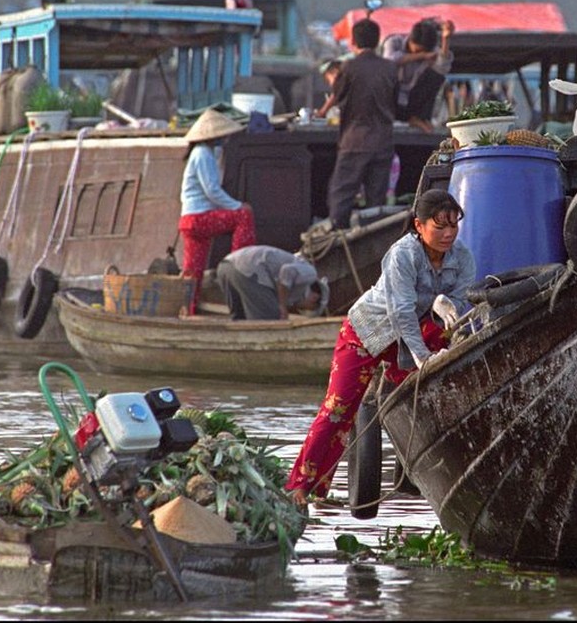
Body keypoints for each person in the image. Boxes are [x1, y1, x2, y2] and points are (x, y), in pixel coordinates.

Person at [285, 189, 476, 509]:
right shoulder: (403, 255)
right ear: (419, 225)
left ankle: (414, 475)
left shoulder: (463, 258)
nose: (448, 234)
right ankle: (303, 487)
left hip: (414, 334)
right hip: (368, 333)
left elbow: (460, 305)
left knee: (431, 390)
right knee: (338, 411)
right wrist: (423, 358)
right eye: (439, 226)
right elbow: (401, 311)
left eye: (453, 225)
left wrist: (445, 309)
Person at [179, 108, 255, 314]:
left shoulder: (206, 153)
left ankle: (188, 309)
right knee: (243, 216)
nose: (225, 139)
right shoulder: (203, 154)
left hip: (189, 221)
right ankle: (239, 263)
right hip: (199, 218)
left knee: (193, 271)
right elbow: (212, 190)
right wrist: (238, 205)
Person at [325, 19, 398, 230]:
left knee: (342, 195)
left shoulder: (349, 67)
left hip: (354, 141)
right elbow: (398, 103)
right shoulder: (390, 68)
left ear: (353, 41)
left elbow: (338, 96)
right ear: (377, 42)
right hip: (383, 141)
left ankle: (338, 243)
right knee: (377, 202)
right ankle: (372, 243)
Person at [216, 245, 329, 320]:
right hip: (247, 270)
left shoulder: (294, 287)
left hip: (226, 266)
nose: (300, 308)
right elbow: (286, 272)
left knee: (240, 319)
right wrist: (282, 306)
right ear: (314, 298)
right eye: (307, 308)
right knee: (272, 318)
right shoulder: (310, 273)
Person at [382, 17, 455, 133]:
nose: (419, 52)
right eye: (417, 50)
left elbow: (443, 67)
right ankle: (409, 118)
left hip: (414, 98)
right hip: (391, 97)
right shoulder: (394, 42)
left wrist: (446, 40)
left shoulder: (432, 51)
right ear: (410, 40)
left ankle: (419, 118)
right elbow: (389, 61)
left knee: (437, 76)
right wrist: (421, 56)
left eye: (423, 51)